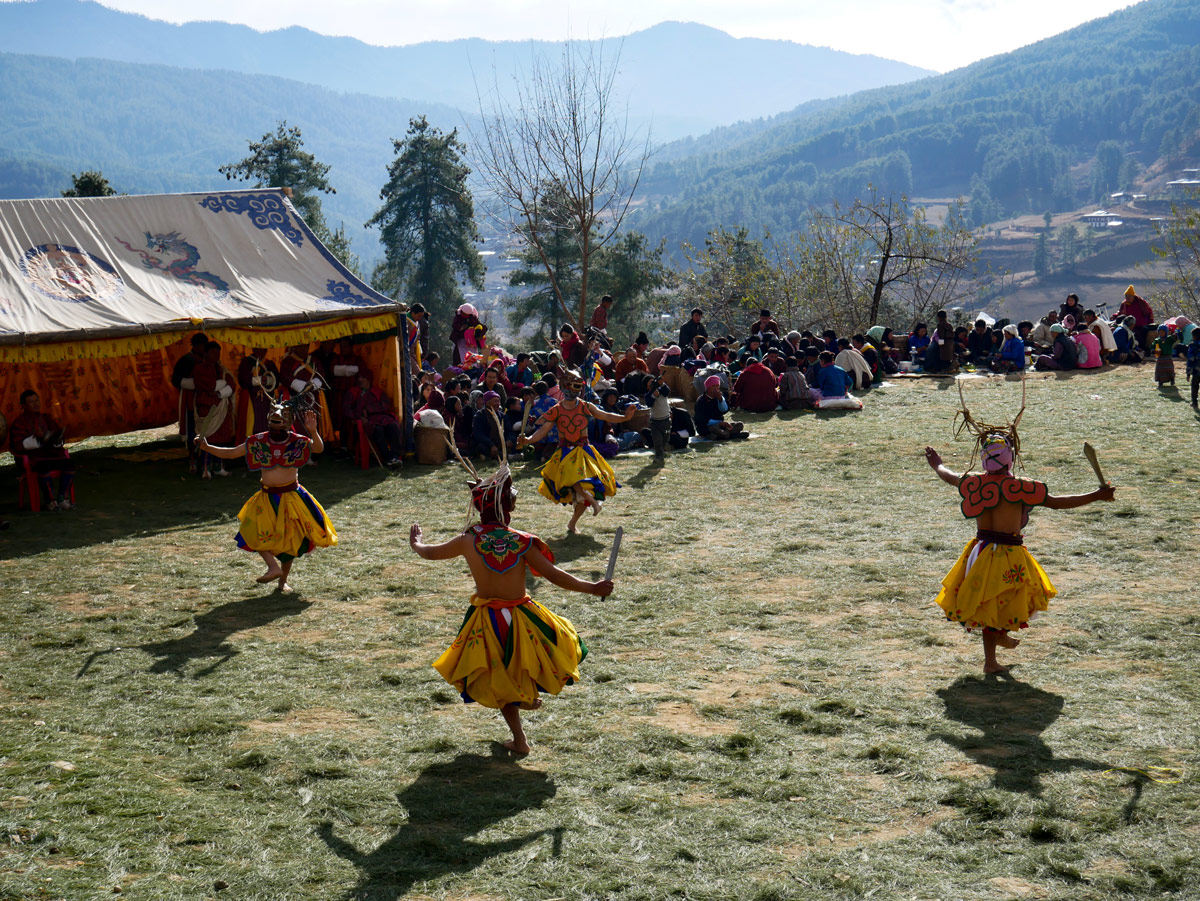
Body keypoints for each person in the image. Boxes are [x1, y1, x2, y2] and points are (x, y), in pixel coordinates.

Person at [410, 464, 608, 754]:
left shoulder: (468, 540)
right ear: (507, 509)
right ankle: (522, 717)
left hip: (486, 621)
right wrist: (593, 587)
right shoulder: (522, 541)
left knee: (498, 678)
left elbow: (429, 553)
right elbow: (555, 576)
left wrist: (416, 543)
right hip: (522, 617)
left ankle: (521, 735)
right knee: (526, 663)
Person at [924, 393, 1114, 673]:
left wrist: (937, 464)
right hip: (1008, 554)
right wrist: (1096, 496)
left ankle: (995, 650)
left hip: (979, 551)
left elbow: (948, 475)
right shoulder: (1021, 488)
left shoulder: (973, 483)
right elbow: (1058, 503)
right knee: (996, 607)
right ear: (1010, 458)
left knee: (990, 606)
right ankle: (992, 657)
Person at [197, 404, 336, 592]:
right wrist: (207, 447)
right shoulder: (258, 441)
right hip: (267, 497)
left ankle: (282, 581)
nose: (276, 426)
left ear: (289, 422)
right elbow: (231, 453)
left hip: (292, 498)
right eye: (273, 421)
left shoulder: (298, 441)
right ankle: (272, 566)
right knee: (252, 531)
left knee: (290, 542)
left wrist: (313, 431)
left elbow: (318, 449)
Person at [517, 369, 634, 533]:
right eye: (573, 386)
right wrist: (528, 440)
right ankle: (593, 502)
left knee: (581, 491)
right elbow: (543, 430)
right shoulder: (556, 410)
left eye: (578, 387)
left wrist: (625, 418)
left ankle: (573, 523)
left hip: (584, 451)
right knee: (575, 482)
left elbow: (606, 415)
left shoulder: (586, 406)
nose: (575, 390)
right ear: (564, 387)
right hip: (565, 452)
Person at [9, 389, 76, 510]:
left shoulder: (46, 418)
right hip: (33, 458)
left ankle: (62, 498)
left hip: (51, 454)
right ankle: (50, 501)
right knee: (43, 467)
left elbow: (57, 437)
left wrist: (56, 439)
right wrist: (38, 439)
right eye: (31, 402)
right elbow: (18, 445)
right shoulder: (19, 423)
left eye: (37, 400)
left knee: (69, 464)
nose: (35, 404)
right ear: (23, 406)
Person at [192, 340, 236, 479]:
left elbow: (232, 384)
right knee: (207, 438)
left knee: (221, 439)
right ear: (206, 353)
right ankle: (205, 468)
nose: (217, 355)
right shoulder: (199, 369)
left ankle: (219, 467)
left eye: (218, 352)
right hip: (207, 407)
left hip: (221, 408)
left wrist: (219, 392)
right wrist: (221, 386)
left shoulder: (221, 369)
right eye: (213, 352)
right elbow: (208, 385)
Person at [171, 332, 208, 474]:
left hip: (205, 400)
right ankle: (192, 458)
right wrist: (194, 384)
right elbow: (176, 380)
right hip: (190, 400)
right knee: (192, 428)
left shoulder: (208, 359)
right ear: (196, 346)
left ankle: (205, 458)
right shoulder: (186, 360)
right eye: (202, 346)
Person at [348, 370, 404, 466]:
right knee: (378, 431)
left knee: (393, 426)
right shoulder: (353, 392)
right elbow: (347, 410)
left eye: (363, 377)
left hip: (381, 417)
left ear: (369, 379)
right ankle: (387, 458)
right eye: (359, 377)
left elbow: (385, 406)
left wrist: (368, 409)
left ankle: (395, 456)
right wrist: (360, 416)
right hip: (368, 420)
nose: (360, 379)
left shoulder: (377, 392)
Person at [236, 347, 280, 439]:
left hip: (266, 399)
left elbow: (277, 380)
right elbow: (242, 379)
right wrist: (258, 380)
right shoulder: (247, 362)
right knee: (252, 423)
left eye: (264, 349)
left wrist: (268, 380)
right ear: (254, 349)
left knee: (266, 422)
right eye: (260, 349)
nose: (263, 352)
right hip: (251, 399)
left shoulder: (270, 364)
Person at [694, 375, 746, 440]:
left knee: (739, 425)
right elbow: (700, 419)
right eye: (713, 386)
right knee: (713, 429)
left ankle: (723, 434)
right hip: (706, 426)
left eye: (717, 386)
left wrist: (720, 399)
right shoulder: (701, 400)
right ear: (708, 388)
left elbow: (724, 410)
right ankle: (732, 435)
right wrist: (719, 423)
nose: (716, 388)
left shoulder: (719, 397)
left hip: (720, 426)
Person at [1116, 286, 1153, 350]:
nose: (1127, 298)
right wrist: (1115, 316)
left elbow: (1148, 312)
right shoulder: (1124, 303)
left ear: (1133, 296)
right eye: (1126, 296)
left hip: (1141, 325)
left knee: (1140, 335)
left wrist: (1150, 322)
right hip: (1128, 325)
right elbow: (1120, 312)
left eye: (1129, 296)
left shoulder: (1140, 302)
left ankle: (1143, 350)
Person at [643, 377, 673, 457]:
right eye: (650, 382)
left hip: (666, 420)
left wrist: (662, 384)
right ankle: (659, 456)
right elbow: (649, 403)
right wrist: (653, 396)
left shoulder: (662, 390)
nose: (652, 383)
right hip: (655, 422)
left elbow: (667, 391)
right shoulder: (648, 395)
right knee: (657, 440)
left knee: (665, 438)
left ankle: (664, 448)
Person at [471, 391, 506, 459]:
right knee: (481, 447)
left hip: (499, 443)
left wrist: (509, 440)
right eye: (495, 401)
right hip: (487, 443)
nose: (498, 404)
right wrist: (491, 445)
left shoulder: (502, 416)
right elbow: (478, 434)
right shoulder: (480, 415)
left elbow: (508, 430)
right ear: (487, 403)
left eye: (498, 401)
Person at [1186, 328, 1200, 407]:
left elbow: (1190, 360)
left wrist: (1188, 373)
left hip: (1196, 371)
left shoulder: (1192, 346)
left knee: (1194, 386)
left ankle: (1194, 402)